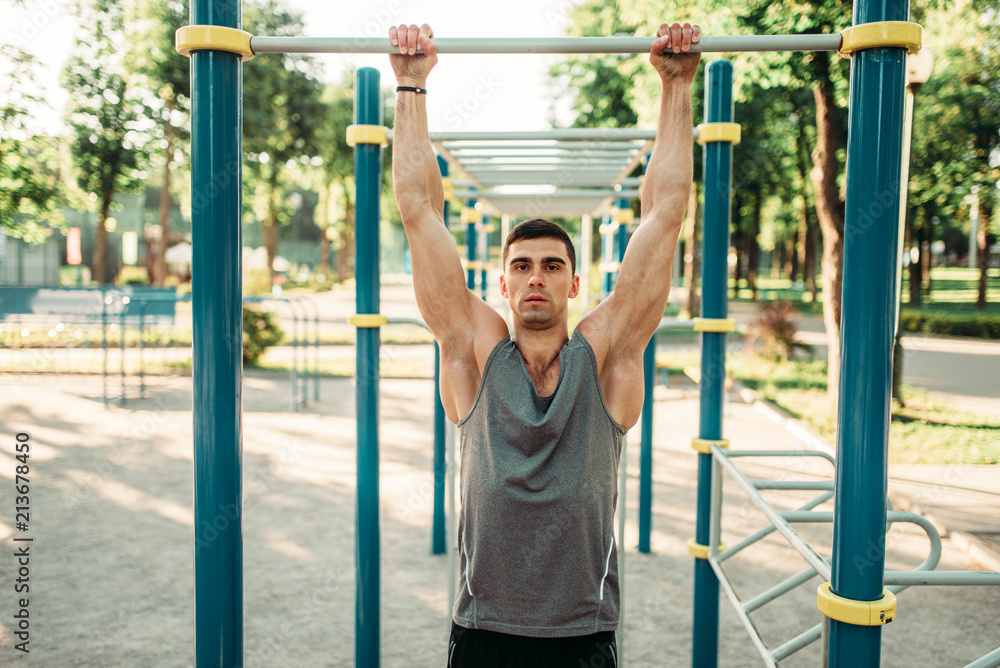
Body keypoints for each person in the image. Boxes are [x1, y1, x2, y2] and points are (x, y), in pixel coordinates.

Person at [389, 21, 701, 668]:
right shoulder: (473, 354)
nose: (537, 276)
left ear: (574, 282)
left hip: (581, 638)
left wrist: (676, 87)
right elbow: (419, 210)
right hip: (482, 632)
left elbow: (665, 214)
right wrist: (410, 85)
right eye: (524, 265)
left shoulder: (607, 357)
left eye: (552, 266)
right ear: (501, 283)